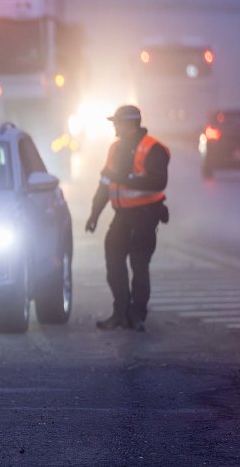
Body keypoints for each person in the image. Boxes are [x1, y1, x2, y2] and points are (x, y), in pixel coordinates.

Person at [86, 105, 169, 333]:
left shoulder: (153, 149)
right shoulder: (115, 148)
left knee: (139, 265)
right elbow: (105, 184)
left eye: (117, 123)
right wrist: (94, 214)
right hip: (122, 216)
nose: (115, 127)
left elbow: (158, 182)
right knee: (113, 260)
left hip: (144, 217)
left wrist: (124, 178)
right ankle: (120, 314)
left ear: (131, 124)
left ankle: (137, 316)